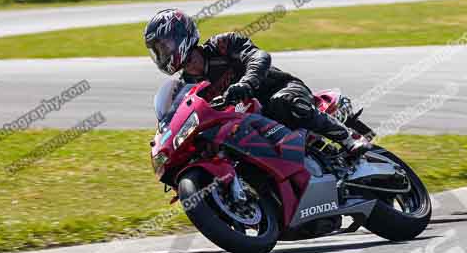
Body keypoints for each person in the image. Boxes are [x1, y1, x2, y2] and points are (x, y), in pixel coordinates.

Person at [144, 8, 371, 154]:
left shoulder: (222, 45)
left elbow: (258, 56)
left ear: (180, 35)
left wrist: (248, 82)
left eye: (164, 46)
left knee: (283, 101)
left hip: (277, 88)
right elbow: (185, 115)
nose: (162, 54)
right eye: (158, 51)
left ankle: (348, 137)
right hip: (248, 121)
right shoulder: (188, 86)